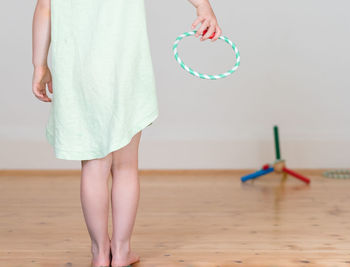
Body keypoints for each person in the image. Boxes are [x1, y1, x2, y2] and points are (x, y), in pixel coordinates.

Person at [32, 0, 222, 266]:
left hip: (79, 75)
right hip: (125, 70)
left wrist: (39, 65)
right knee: (125, 167)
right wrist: (203, 7)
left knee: (94, 166)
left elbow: (44, 8)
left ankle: (100, 254)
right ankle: (121, 252)